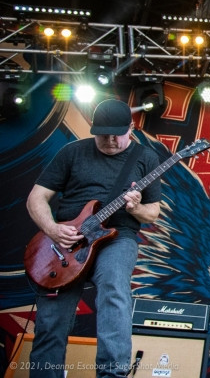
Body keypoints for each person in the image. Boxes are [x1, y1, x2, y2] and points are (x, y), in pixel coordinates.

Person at [26, 99, 162, 378]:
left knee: (114, 288)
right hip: (65, 241)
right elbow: (36, 197)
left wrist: (135, 207)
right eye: (103, 134)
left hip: (117, 236)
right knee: (52, 318)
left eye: (117, 133)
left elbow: (153, 214)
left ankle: (112, 373)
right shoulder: (71, 153)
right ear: (92, 128)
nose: (111, 140)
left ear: (131, 127)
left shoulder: (145, 158)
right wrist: (52, 229)